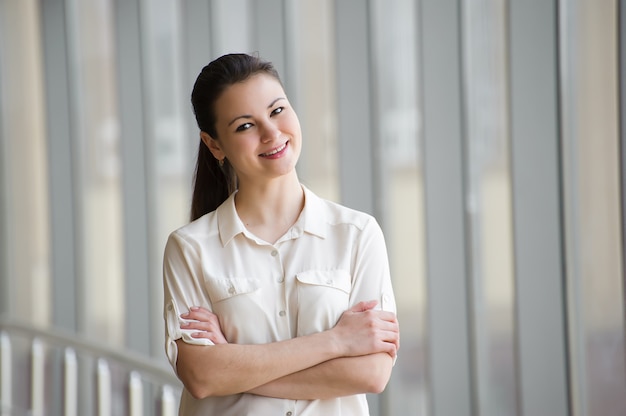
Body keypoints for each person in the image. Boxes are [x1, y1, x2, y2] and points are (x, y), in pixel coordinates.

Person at [162, 53, 399, 415]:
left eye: (277, 111)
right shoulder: (191, 248)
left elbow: (371, 372)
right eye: (245, 126)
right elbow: (202, 376)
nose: (272, 133)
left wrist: (233, 367)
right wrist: (337, 341)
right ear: (214, 145)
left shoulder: (357, 234)